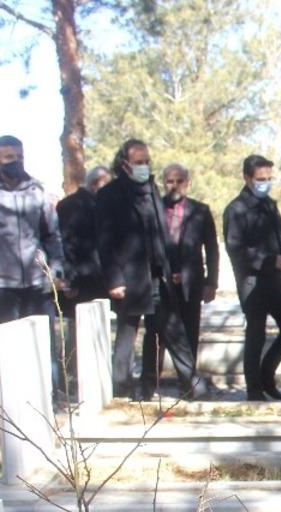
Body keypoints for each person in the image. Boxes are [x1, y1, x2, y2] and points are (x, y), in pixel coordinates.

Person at [98, 139, 210, 400]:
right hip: (129, 277)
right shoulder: (109, 195)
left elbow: (162, 233)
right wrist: (114, 279)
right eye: (139, 162)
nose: (144, 167)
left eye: (147, 162)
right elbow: (104, 241)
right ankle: (122, 388)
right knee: (127, 335)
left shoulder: (150, 189)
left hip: (158, 275)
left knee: (173, 330)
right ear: (124, 163)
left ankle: (192, 383)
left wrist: (172, 266)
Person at [0, 135, 67, 409]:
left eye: (19, 157)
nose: (16, 162)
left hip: (38, 280)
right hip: (1, 282)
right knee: (1, 346)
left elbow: (52, 235)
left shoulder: (36, 191)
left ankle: (50, 398)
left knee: (44, 343)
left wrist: (56, 269)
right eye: (9, 158)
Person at [139, 163, 219, 397]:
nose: (174, 186)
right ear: (164, 182)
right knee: (154, 336)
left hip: (190, 285)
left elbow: (212, 249)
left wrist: (211, 283)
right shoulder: (153, 210)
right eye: (169, 181)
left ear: (187, 182)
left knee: (189, 333)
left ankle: (188, 386)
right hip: (158, 284)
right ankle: (148, 387)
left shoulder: (201, 211)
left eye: (179, 181)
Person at [225, 154, 281, 401]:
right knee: (256, 335)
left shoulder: (270, 205)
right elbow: (236, 249)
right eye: (260, 179)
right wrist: (269, 260)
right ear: (247, 178)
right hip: (252, 282)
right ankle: (254, 389)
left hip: (277, 281)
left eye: (269, 178)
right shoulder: (236, 209)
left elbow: (276, 236)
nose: (265, 183)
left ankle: (267, 375)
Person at [57, 166, 112, 318]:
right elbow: (65, 244)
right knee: (79, 324)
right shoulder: (69, 205)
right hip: (80, 280)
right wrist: (69, 280)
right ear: (96, 183)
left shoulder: (103, 205)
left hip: (101, 279)